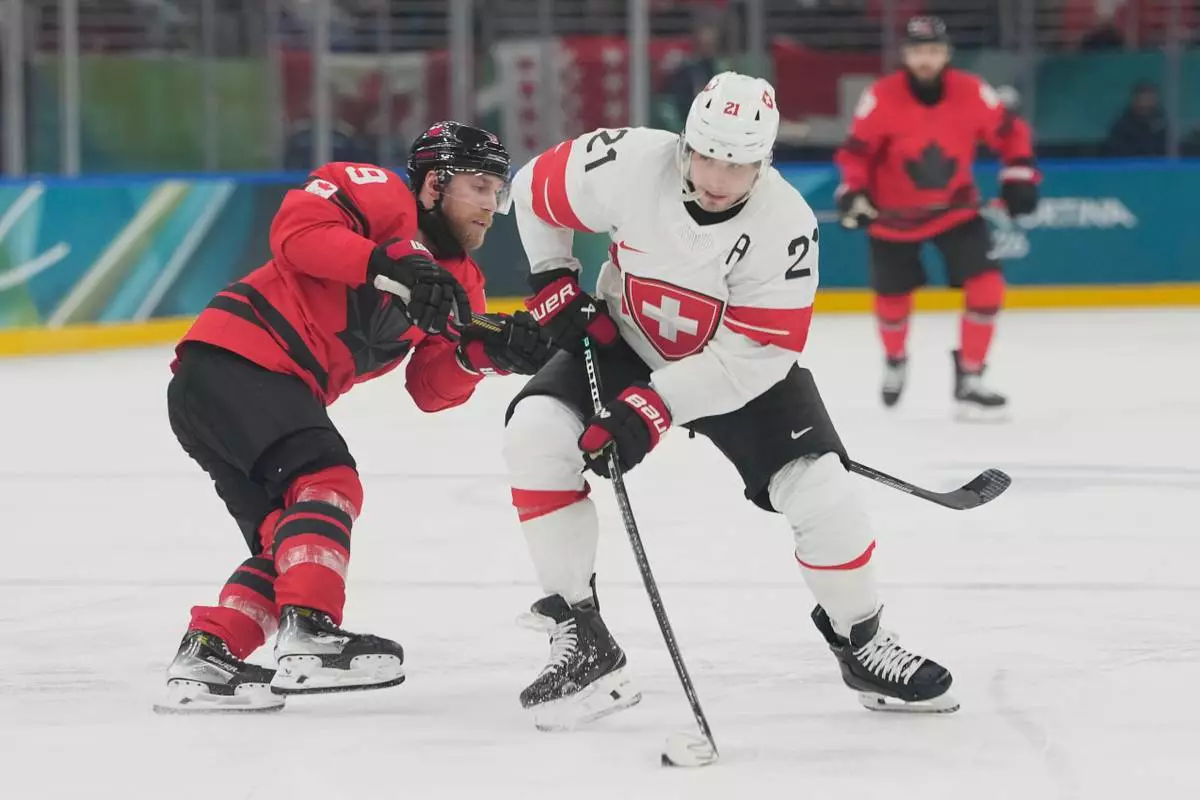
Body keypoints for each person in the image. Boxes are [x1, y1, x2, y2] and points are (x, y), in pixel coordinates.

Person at [502, 71, 959, 732]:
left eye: (738, 164)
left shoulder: (788, 226)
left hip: (732, 366)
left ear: (763, 161)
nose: (718, 177)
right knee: (536, 430)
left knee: (822, 491)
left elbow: (759, 355)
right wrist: (552, 273)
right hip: (623, 336)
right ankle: (581, 633)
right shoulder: (629, 160)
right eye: (707, 155)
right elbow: (532, 191)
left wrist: (652, 409)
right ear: (686, 144)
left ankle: (861, 642)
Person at [154, 122, 553, 714]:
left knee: (287, 542)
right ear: (434, 185)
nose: (492, 207)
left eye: (499, 192)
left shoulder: (463, 282)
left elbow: (430, 387)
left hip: (231, 388)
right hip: (239, 360)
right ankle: (311, 629)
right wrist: (386, 263)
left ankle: (207, 657)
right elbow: (296, 234)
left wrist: (486, 355)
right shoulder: (375, 193)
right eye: (479, 187)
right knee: (329, 482)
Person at [834, 16, 1041, 419]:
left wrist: (1019, 175)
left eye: (933, 51)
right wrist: (853, 192)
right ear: (905, 56)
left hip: (956, 210)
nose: (925, 59)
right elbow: (855, 154)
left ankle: (971, 376)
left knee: (987, 288)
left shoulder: (972, 93)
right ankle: (895, 361)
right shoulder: (881, 97)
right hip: (891, 216)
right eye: (917, 51)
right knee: (892, 303)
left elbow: (1011, 133)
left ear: (946, 53)